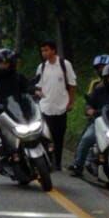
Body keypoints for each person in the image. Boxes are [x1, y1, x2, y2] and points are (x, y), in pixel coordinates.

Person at [36, 40, 79, 168]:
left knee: (59, 136)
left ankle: (58, 162)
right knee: (45, 135)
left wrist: (71, 102)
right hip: (45, 107)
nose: (44, 53)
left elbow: (72, 85)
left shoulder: (65, 65)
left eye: (47, 50)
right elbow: (37, 86)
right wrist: (39, 93)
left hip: (61, 107)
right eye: (43, 50)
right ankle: (48, 161)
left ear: (54, 50)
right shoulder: (42, 67)